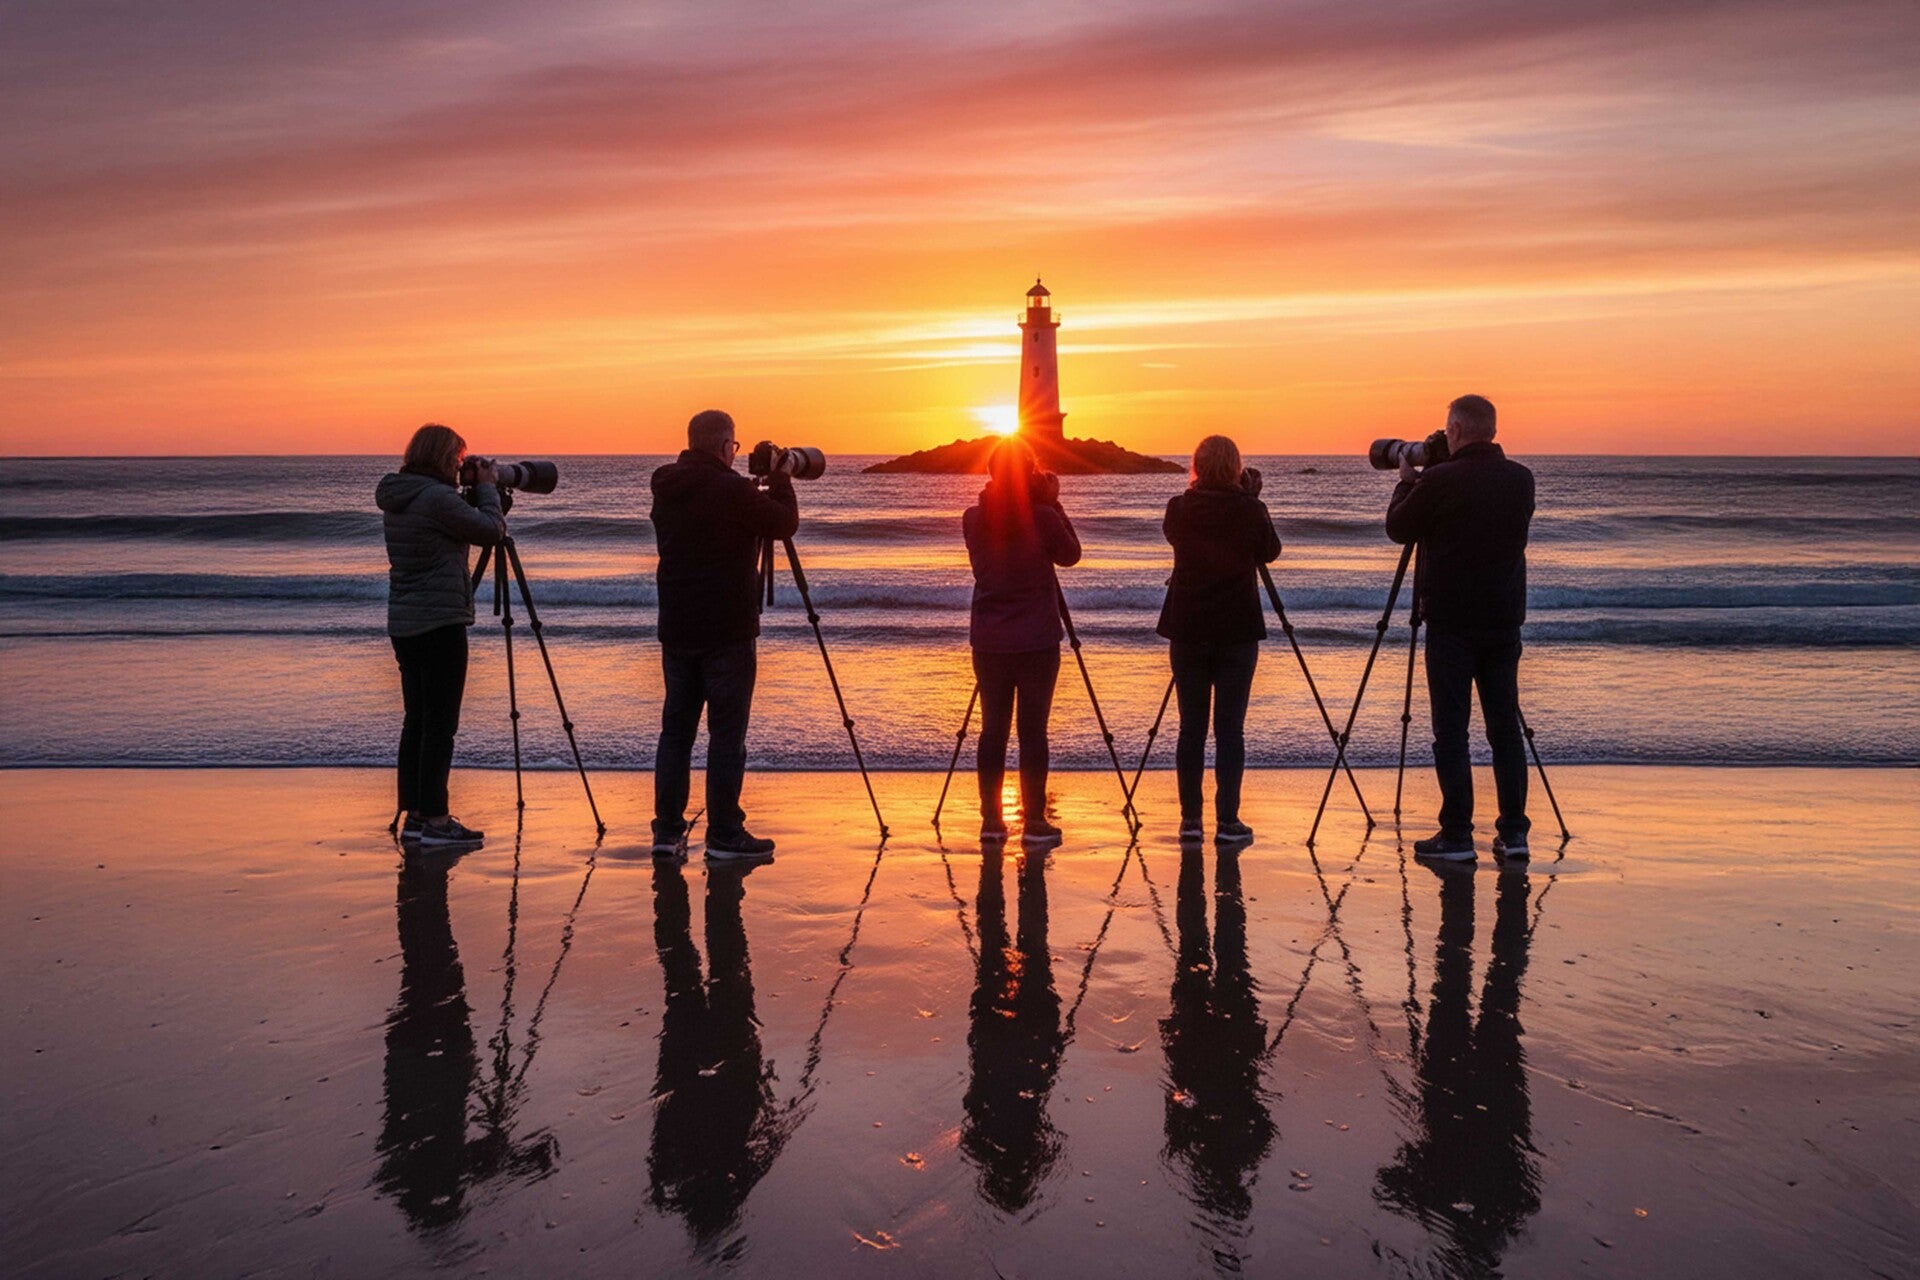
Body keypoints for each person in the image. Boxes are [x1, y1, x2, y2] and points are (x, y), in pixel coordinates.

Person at [1385, 394, 1536, 860]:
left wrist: (1407, 483)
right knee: (1504, 729)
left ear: (1454, 430)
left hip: (1450, 623)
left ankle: (1456, 835)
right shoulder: (1520, 480)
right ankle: (1514, 834)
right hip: (1503, 620)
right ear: (1490, 430)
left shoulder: (1440, 479)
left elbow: (1398, 528)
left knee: (1451, 731)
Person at [649, 409, 798, 859]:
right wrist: (783, 479)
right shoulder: (731, 489)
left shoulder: (665, 484)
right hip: (728, 630)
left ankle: (667, 832)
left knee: (676, 732)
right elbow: (783, 523)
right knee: (726, 736)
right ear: (722, 446)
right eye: (734, 446)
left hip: (676, 627)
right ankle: (725, 834)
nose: (736, 454)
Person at [377, 423, 505, 848]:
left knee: (417, 720)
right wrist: (487, 490)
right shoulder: (435, 499)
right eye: (456, 457)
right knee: (440, 725)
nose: (459, 466)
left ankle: (415, 813)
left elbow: (465, 526)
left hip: (406, 622)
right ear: (440, 457)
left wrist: (479, 498)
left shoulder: (402, 496)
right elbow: (490, 530)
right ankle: (435, 819)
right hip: (440, 623)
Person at [1156, 435, 1281, 845]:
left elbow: (1174, 535)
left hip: (1188, 628)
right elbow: (1270, 551)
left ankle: (1190, 820)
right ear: (1235, 468)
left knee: (1191, 727)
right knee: (1230, 729)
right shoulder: (1249, 509)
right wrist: (1251, 499)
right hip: (1236, 630)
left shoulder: (1179, 508)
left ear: (1196, 465)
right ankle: (1228, 820)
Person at [963, 438, 1081, 846]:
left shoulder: (973, 517)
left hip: (990, 637)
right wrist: (1054, 503)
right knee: (1033, 731)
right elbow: (1071, 555)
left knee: (992, 729)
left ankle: (992, 820)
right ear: (1029, 473)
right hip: (1037, 638)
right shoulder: (1044, 517)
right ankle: (1033, 821)